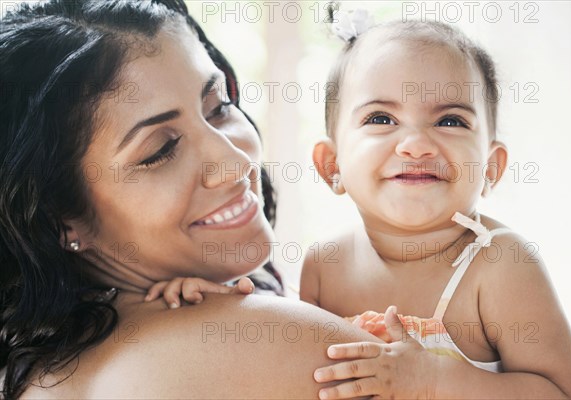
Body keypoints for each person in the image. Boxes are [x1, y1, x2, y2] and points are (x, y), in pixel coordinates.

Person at [0, 1, 380, 398]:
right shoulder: (279, 345)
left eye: (218, 108)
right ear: (60, 217)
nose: (235, 161)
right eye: (161, 150)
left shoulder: (29, 375)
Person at [298, 12, 571, 399]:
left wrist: (434, 381)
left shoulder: (501, 265)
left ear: (490, 167)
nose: (416, 144)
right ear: (332, 166)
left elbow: (565, 394)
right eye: (381, 118)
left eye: (450, 121)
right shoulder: (324, 266)